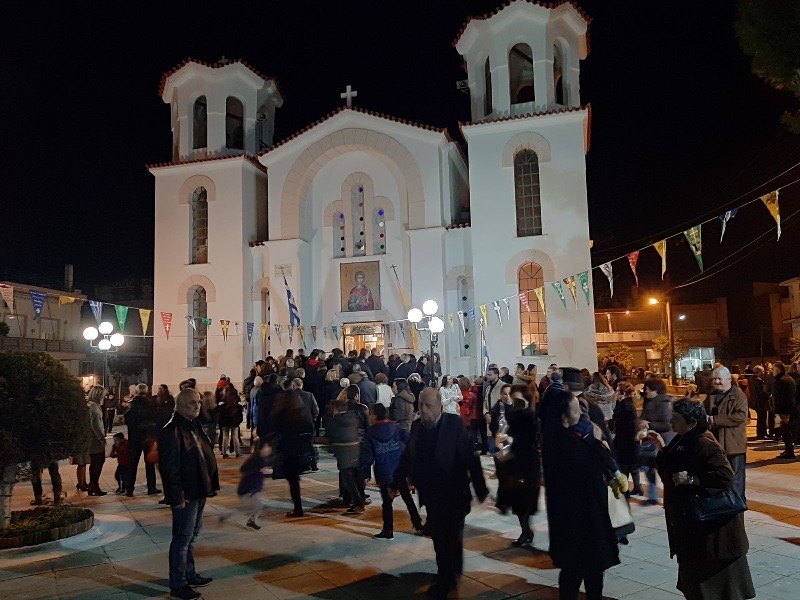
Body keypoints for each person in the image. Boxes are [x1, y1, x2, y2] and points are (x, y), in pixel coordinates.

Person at [393, 388, 488, 599]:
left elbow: (470, 457)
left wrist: (480, 488)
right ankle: (451, 570)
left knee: (447, 538)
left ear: (439, 407)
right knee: (443, 538)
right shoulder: (417, 426)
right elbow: (409, 454)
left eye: (428, 405)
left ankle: (446, 579)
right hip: (431, 495)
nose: (423, 410)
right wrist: (396, 478)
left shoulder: (453, 424)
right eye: (420, 405)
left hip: (454, 494)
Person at [656, 398, 755, 600]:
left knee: (711, 585)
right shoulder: (683, 438)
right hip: (696, 529)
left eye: (675, 418)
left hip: (710, 533)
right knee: (700, 584)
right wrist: (659, 446)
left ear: (691, 421)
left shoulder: (703, 441)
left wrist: (692, 479)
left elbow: (726, 476)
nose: (671, 422)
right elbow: (669, 470)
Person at [540, 387, 619, 600]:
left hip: (580, 515)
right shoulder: (562, 441)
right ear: (565, 416)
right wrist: (597, 442)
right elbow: (591, 465)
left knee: (582, 570)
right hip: (579, 517)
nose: (582, 414)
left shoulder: (563, 435)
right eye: (577, 410)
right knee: (581, 569)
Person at [159, 388, 219, 600]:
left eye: (199, 402)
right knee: (182, 539)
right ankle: (178, 583)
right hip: (187, 493)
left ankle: (189, 573)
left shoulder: (192, 425)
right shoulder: (173, 429)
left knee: (192, 535)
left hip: (199, 489)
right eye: (193, 402)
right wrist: (176, 497)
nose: (198, 405)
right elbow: (169, 468)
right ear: (180, 404)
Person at [364, 403, 423, 540]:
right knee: (407, 498)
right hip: (399, 469)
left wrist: (365, 474)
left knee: (387, 501)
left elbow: (367, 456)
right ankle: (418, 524)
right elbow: (411, 444)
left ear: (373, 415)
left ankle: (388, 529)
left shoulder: (370, 433)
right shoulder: (397, 428)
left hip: (384, 471)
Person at [496, 384, 540, 548]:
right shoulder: (515, 413)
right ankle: (525, 529)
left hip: (526, 460)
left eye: (515, 396)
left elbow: (527, 436)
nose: (512, 399)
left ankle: (526, 530)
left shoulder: (529, 415)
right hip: (516, 460)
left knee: (525, 497)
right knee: (519, 498)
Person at [270, 387, 315, 517]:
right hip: (299, 451)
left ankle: (298, 507)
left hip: (287, 451)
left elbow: (274, 431)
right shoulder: (302, 414)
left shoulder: (280, 416)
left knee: (293, 480)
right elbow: (309, 430)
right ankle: (298, 506)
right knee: (294, 480)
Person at [323, 385, 369, 514]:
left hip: (346, 448)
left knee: (347, 474)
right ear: (357, 395)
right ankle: (359, 497)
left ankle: (354, 499)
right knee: (357, 474)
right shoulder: (361, 409)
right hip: (359, 444)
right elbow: (367, 426)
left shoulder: (341, 414)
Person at [707, 366, 749, 497]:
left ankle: (737, 504)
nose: (716, 382)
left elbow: (741, 416)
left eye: (719, 379)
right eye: (714, 379)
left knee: (736, 479)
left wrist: (715, 420)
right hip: (717, 444)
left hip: (733, 445)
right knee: (720, 477)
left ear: (728, 379)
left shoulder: (738, 396)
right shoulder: (712, 395)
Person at [125, 383, 161, 497]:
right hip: (147, 437)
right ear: (146, 391)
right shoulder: (150, 404)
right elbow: (155, 419)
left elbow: (127, 419)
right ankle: (151, 487)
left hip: (134, 438)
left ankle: (129, 488)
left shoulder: (132, 405)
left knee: (132, 464)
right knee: (149, 464)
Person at [237, 435, 276, 530]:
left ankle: (251, 521)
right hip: (248, 489)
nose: (269, 450)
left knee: (256, 506)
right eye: (267, 447)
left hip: (253, 489)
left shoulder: (262, 459)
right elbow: (245, 472)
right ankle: (250, 521)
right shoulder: (255, 459)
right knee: (258, 505)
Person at [611, 381, 642, 497]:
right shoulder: (626, 404)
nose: (615, 393)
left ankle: (626, 490)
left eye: (617, 391)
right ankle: (636, 487)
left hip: (626, 440)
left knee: (624, 466)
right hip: (628, 440)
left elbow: (628, 424)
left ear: (623, 393)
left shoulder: (625, 405)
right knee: (631, 466)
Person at [86, 385, 109, 496]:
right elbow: (96, 425)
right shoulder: (94, 408)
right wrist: (101, 438)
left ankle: (92, 486)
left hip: (90, 440)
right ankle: (94, 485)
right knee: (98, 462)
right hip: (95, 441)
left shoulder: (89, 406)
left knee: (95, 462)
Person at [771, 361, 797, 459]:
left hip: (783, 410)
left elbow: (778, 398)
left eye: (773, 369)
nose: (772, 371)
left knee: (785, 431)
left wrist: (776, 411)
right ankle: (788, 450)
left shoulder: (780, 381)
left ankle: (789, 452)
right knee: (787, 431)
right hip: (789, 408)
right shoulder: (789, 379)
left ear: (778, 370)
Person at [218, 385, 243, 458]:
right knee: (235, 436)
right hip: (234, 420)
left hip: (225, 420)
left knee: (225, 436)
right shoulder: (236, 399)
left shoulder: (224, 399)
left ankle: (224, 452)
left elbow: (220, 410)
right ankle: (237, 452)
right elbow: (240, 409)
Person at [748, 366, 770, 440]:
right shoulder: (758, 380)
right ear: (759, 372)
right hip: (760, 403)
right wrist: (768, 394)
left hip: (754, 402)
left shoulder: (750, 379)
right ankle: (762, 434)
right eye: (762, 371)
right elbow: (761, 393)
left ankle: (761, 433)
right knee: (762, 419)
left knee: (760, 418)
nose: (763, 373)